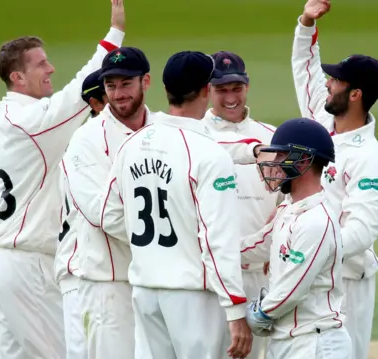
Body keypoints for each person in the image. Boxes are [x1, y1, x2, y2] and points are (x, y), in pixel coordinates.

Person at [0, 1, 125, 357]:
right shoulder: (30, 123)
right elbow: (78, 94)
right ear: (17, 78)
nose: (51, 68)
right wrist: (114, 34)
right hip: (28, 266)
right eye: (42, 64)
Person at [99, 50, 253, 359]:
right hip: (193, 296)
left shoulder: (131, 145)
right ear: (206, 90)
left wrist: (156, 251)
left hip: (145, 291)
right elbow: (217, 239)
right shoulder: (209, 155)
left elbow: (109, 215)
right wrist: (236, 309)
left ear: (165, 88)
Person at [289, 1, 378, 357]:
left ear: (356, 95)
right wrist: (306, 22)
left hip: (347, 282)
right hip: (309, 274)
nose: (328, 83)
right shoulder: (321, 122)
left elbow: (361, 232)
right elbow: (305, 69)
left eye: (336, 80)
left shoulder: (372, 162)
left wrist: (312, 249)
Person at [61, 46, 153, 359]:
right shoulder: (85, 141)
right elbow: (105, 215)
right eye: (111, 86)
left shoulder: (163, 129)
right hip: (109, 288)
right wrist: (171, 244)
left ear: (146, 82)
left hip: (159, 283)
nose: (118, 93)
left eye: (126, 84)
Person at [242, 117, 351, 359]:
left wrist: (254, 315)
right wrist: (210, 249)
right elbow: (258, 244)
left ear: (302, 161)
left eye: (282, 157)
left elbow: (292, 290)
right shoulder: (289, 209)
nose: (275, 165)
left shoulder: (316, 221)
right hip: (288, 340)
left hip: (315, 343)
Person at [204, 50, 281, 359]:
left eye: (236, 88)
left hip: (261, 275)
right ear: (207, 90)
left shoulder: (272, 137)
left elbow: (288, 199)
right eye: (221, 89)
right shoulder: (196, 136)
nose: (230, 97)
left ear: (247, 86)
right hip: (212, 276)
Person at [54, 68, 109, 359]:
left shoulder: (109, 139)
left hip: (99, 272)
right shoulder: (86, 146)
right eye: (110, 91)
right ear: (96, 104)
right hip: (80, 271)